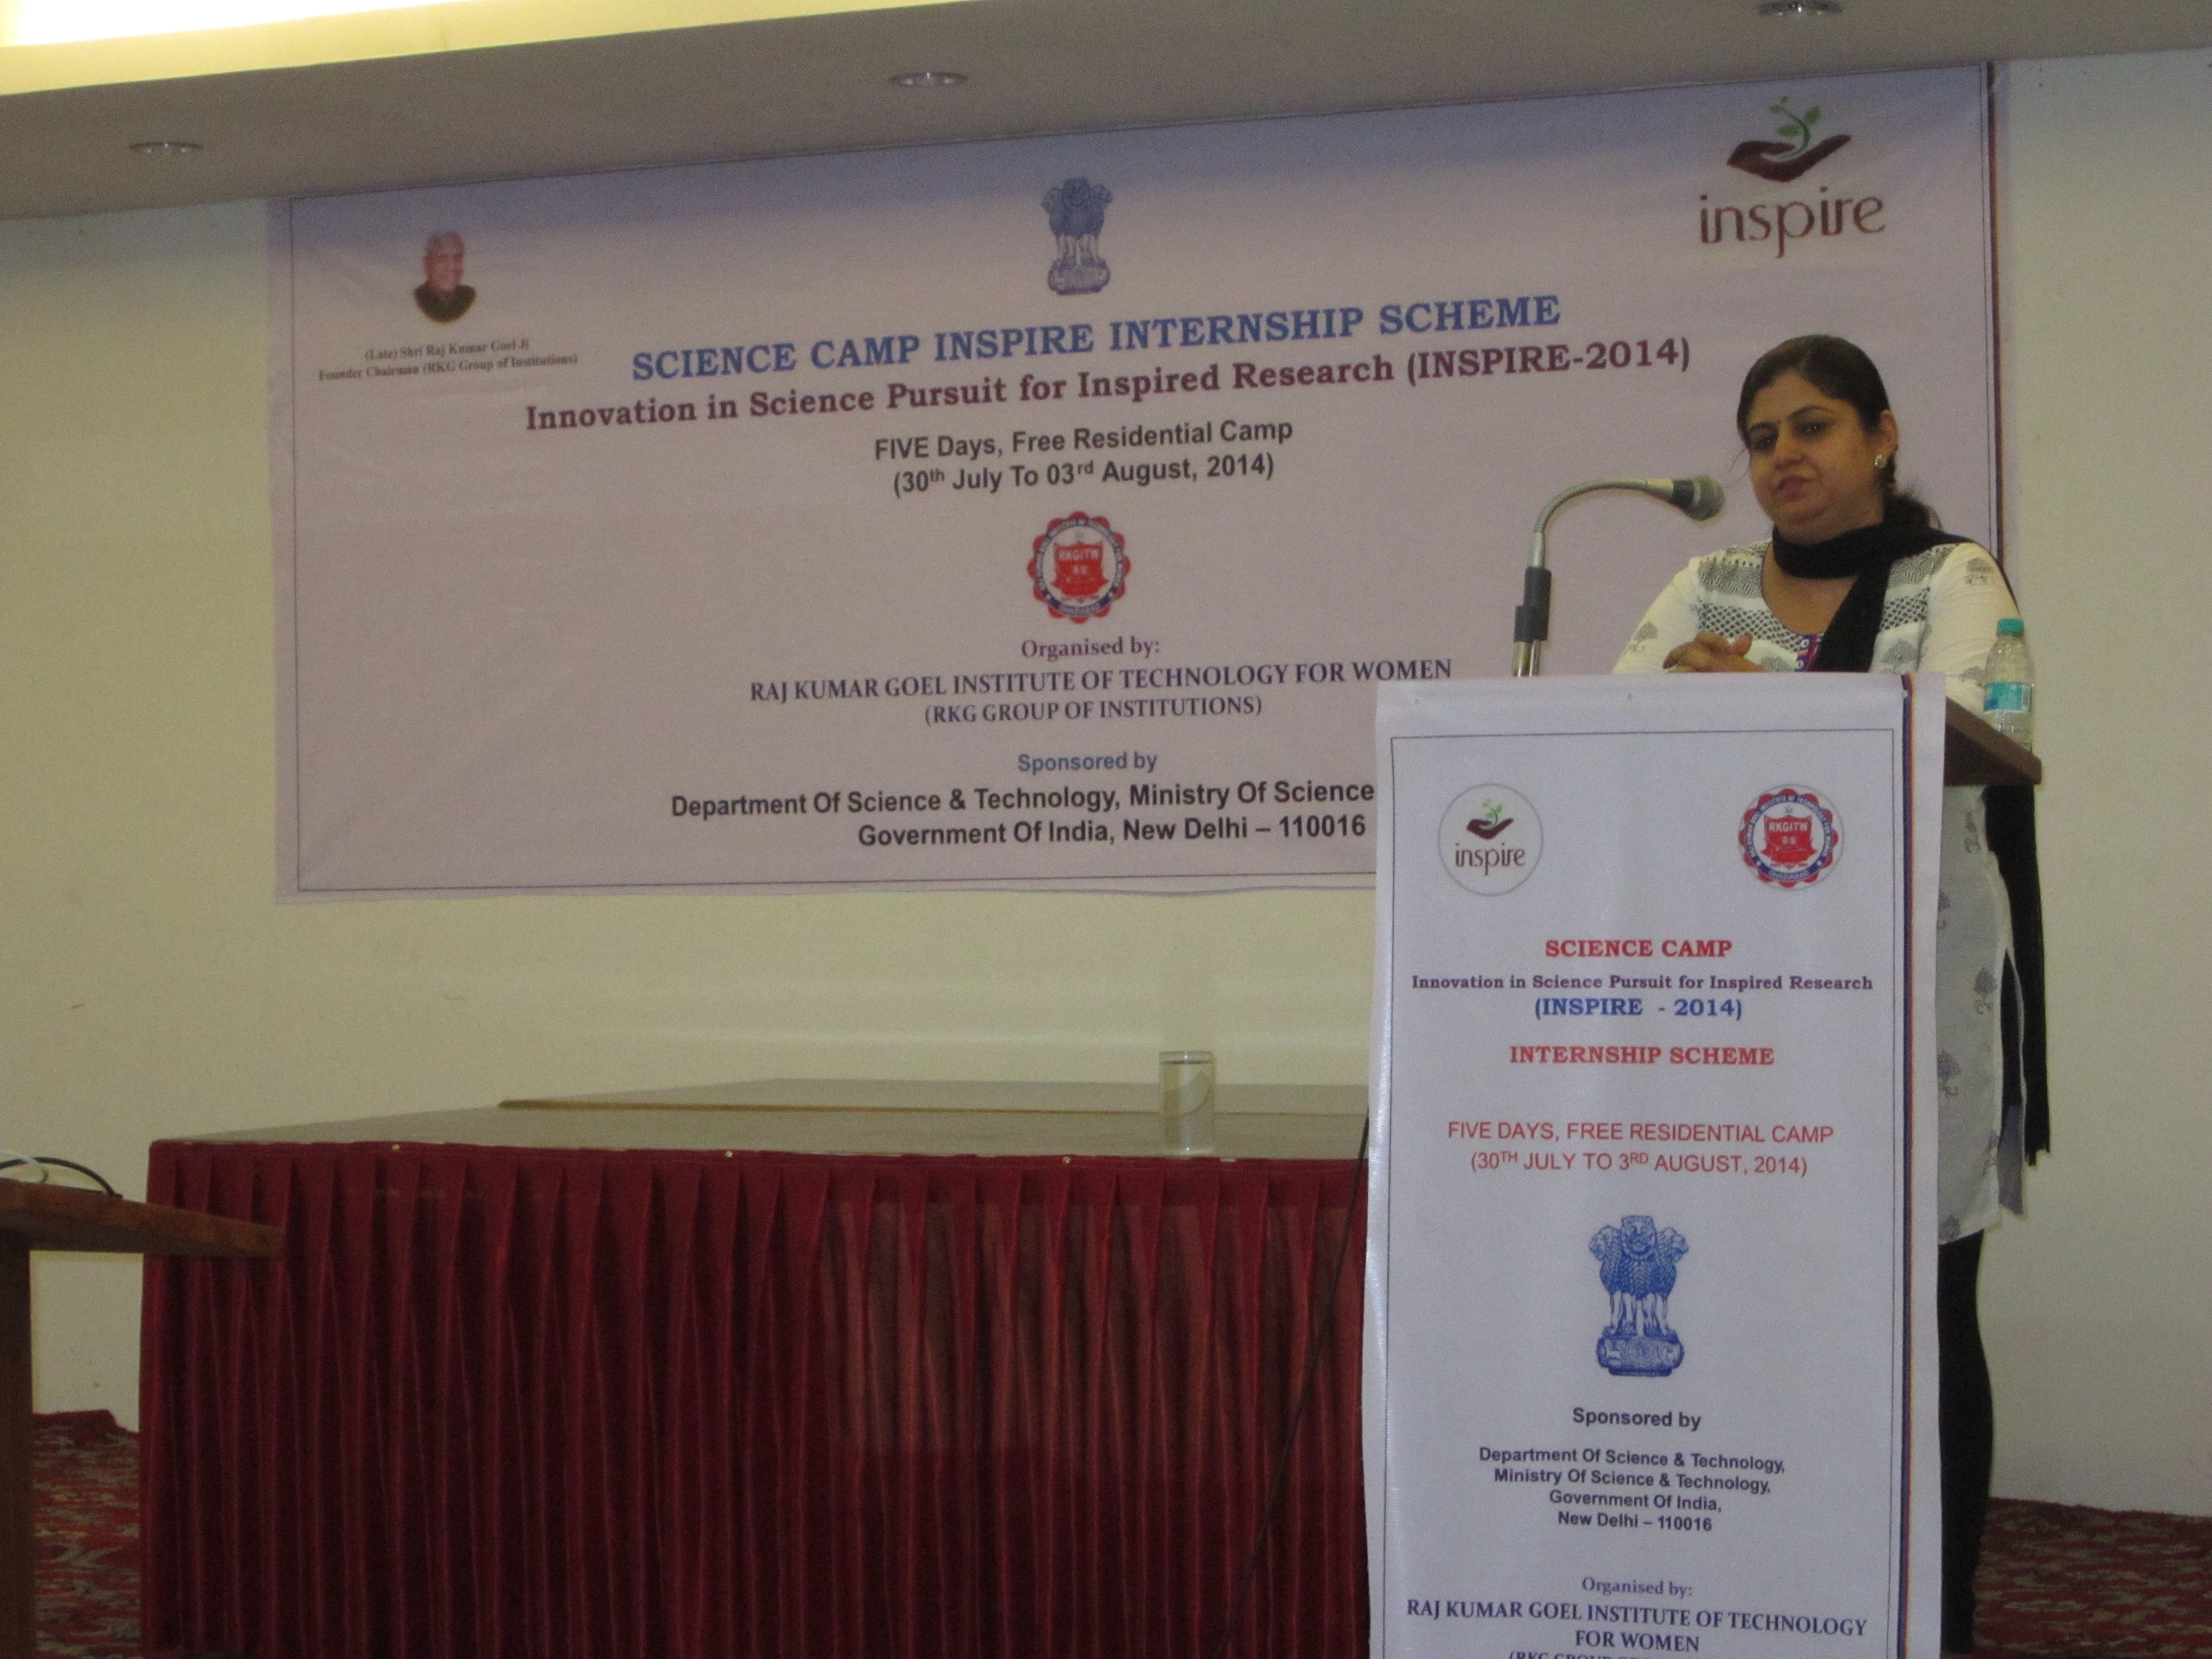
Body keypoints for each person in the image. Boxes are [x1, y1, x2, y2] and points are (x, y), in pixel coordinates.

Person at [1614, 335, 2049, 1655]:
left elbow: (1981, 732)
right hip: (1740, 1000)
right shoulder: (1703, 587)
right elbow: (1618, 735)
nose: (1782, 456)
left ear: (1881, 436)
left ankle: (1937, 1611)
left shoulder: (1954, 579)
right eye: (1762, 437)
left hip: (1917, 993)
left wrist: (1764, 701)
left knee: (1925, 1303)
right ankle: (1779, 1583)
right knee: (1759, 1294)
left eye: (1812, 426)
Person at [413, 230, 476, 324]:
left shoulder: (468, 295)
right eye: (443, 258)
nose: (452, 267)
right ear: (427, 264)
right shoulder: (420, 296)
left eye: (457, 258)